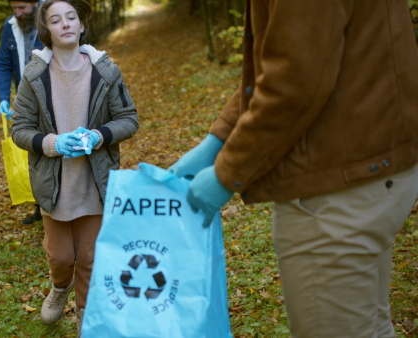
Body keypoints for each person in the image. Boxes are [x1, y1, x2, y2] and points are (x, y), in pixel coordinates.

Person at [170, 1, 418, 337]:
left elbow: (295, 78)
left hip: (333, 189)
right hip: (369, 169)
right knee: (368, 327)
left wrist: (226, 173)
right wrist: (218, 139)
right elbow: (291, 55)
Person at [11, 0, 138, 334]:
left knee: (90, 257)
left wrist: (100, 135)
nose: (65, 24)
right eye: (56, 20)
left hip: (95, 182)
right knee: (61, 256)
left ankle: (86, 311)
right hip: (53, 186)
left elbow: (128, 119)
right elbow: (20, 128)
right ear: (47, 31)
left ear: (82, 25)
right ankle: (59, 288)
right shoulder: (34, 75)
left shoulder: (105, 71)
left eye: (71, 18)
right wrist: (51, 143)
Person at [0, 0, 45, 225]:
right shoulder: (11, 26)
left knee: (55, 149)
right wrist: (4, 99)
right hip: (26, 101)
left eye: (22, 8)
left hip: (53, 97)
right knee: (32, 151)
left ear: (35, 2)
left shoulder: (53, 18)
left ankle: (59, 208)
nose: (18, 13)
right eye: (14, 8)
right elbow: (3, 64)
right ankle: (40, 206)